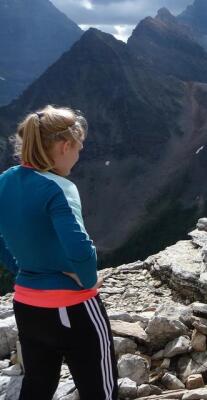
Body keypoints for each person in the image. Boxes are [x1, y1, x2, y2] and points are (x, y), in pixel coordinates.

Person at [0, 105, 118, 399]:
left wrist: (20, 269)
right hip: (73, 307)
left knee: (38, 385)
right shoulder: (59, 188)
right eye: (78, 148)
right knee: (100, 389)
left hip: (27, 306)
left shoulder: (5, 181)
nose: (78, 156)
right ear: (65, 146)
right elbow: (79, 247)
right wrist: (88, 279)